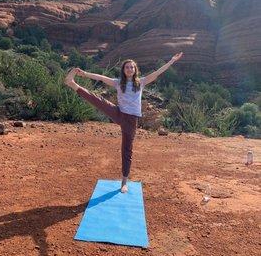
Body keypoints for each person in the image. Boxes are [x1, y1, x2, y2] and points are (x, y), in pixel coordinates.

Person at [64, 52, 183, 193]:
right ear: (123, 70)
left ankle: (124, 182)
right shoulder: (117, 83)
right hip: (119, 113)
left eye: (132, 67)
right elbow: (101, 78)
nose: (129, 69)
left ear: (135, 70)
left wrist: (171, 61)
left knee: (127, 149)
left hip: (131, 120)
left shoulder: (141, 82)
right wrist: (84, 74)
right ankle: (72, 84)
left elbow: (157, 73)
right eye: (127, 67)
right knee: (99, 101)